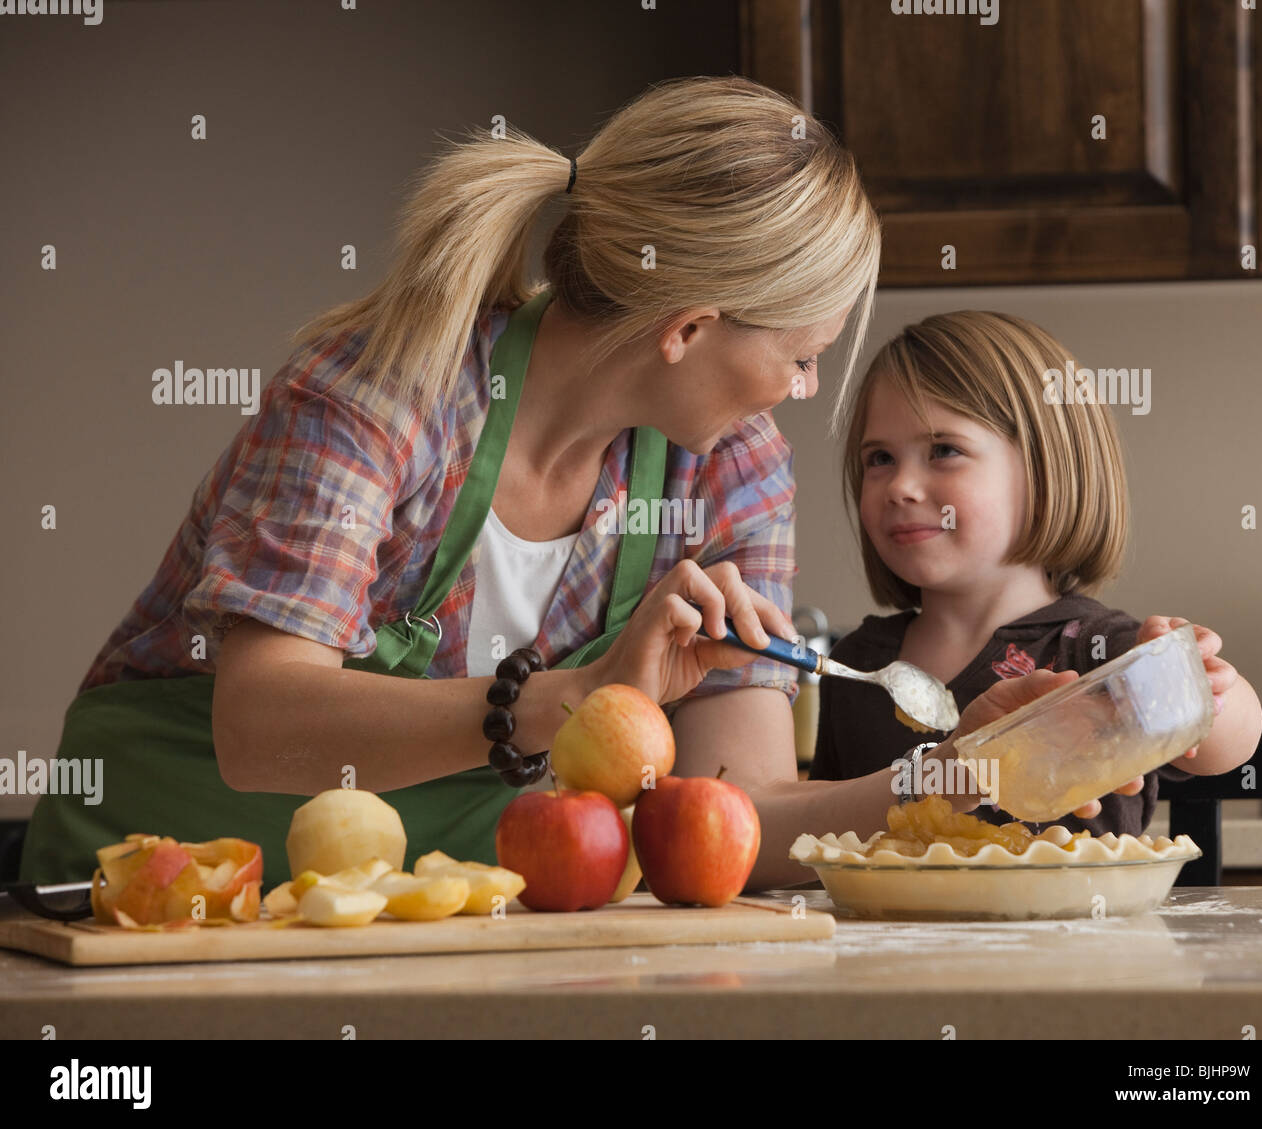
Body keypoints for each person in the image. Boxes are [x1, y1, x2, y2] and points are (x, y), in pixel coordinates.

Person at [20, 77, 1132, 893]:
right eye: (798, 356)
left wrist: (946, 776)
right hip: (162, 903)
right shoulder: (379, 396)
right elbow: (259, 728)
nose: (800, 392)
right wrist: (580, 692)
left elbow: (733, 820)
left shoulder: (727, 470)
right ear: (689, 326)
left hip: (436, 915)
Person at [812, 310, 1262, 834]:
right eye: (880, 459)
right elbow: (825, 835)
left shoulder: (1099, 651)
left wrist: (1194, 683)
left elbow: (1227, 744)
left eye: (943, 451)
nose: (900, 486)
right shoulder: (854, 666)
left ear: (1045, 469)